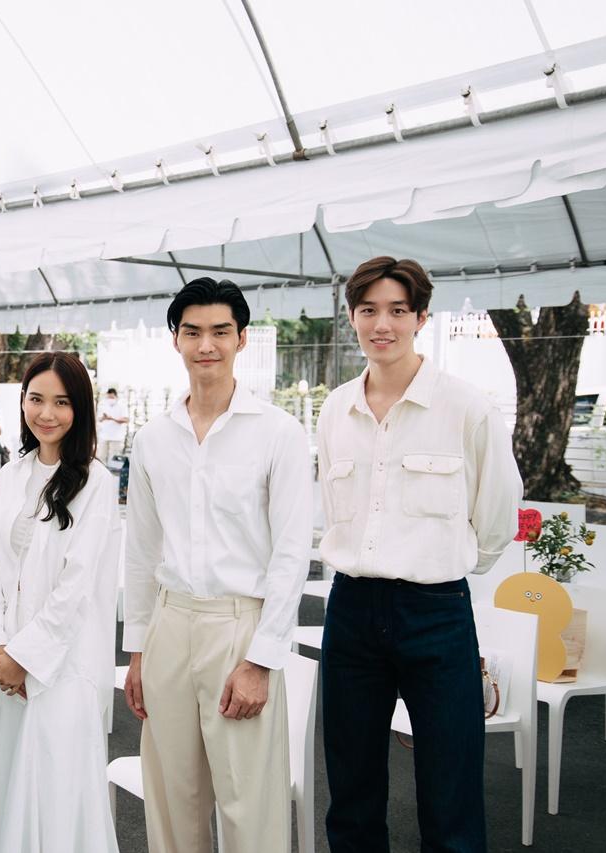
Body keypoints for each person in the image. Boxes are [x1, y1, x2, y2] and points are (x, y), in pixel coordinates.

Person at [316, 257, 522, 853]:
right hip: (351, 610)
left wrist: (448, 565)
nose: (382, 324)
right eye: (368, 310)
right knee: (351, 788)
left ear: (421, 318)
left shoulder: (466, 407)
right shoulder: (336, 409)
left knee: (450, 790)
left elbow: (497, 513)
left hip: (436, 613)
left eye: (398, 311)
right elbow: (333, 507)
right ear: (352, 317)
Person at [122, 278, 312, 853]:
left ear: (241, 339)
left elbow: (291, 555)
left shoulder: (278, 433)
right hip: (169, 624)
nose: (206, 345)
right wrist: (138, 651)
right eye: (193, 332)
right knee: (172, 800)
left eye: (220, 332)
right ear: (176, 340)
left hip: (240, 628)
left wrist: (261, 660)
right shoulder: (153, 439)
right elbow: (141, 551)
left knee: (249, 804)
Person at [0, 352, 122, 853]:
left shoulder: (95, 482)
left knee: (55, 790)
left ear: (80, 409)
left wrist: (25, 658)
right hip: (3, 664)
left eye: (61, 402)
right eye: (36, 399)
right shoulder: (8, 476)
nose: (46, 413)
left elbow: (76, 586)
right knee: (4, 784)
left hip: (63, 665)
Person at [96, 387, 129, 464]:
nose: (110, 399)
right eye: (108, 397)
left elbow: (126, 420)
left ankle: (113, 471)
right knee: (101, 457)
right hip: (104, 436)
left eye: (112, 397)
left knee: (114, 459)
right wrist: (104, 418)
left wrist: (112, 418)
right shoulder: (103, 405)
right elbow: (99, 419)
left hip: (116, 437)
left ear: (116, 396)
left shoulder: (122, 406)